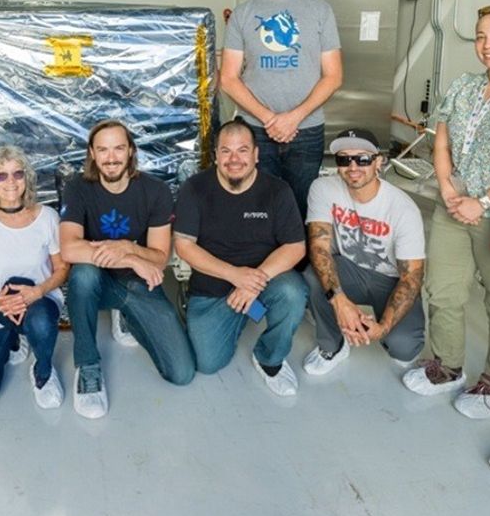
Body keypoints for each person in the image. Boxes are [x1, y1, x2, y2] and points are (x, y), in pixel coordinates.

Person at [404, 4, 490, 418]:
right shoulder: (462, 86)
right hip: (451, 205)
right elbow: (440, 143)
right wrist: (446, 188)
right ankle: (448, 366)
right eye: (480, 36)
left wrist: (485, 202)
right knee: (443, 289)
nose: (487, 44)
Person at [60, 120, 195, 418]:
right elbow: (70, 248)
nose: (111, 158)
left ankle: (128, 317)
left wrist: (130, 248)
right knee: (82, 274)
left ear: (131, 151)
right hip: (97, 281)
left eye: (119, 148)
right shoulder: (78, 188)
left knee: (181, 372)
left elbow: (159, 258)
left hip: (137, 283)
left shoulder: (155, 190)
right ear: (92, 155)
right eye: (103, 150)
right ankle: (88, 365)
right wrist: (133, 259)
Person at [174, 119, 308, 396]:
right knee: (208, 363)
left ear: (256, 155)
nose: (234, 159)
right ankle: (239, 314)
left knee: (293, 293)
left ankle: (269, 357)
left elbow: (295, 247)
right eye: (226, 151)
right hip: (212, 288)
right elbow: (184, 246)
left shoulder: (277, 191)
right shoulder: (195, 188)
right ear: (216, 155)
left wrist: (252, 284)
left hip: (263, 282)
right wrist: (236, 276)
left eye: (242, 150)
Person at [220, 0, 343, 220]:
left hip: (306, 130)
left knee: (300, 211)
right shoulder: (243, 14)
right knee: (256, 210)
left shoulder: (320, 11)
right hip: (257, 131)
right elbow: (228, 78)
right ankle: (260, 265)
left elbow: (333, 76)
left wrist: (293, 118)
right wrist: (270, 119)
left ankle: (295, 266)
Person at [301, 128, 426, 376]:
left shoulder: (403, 208)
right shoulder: (323, 188)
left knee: (404, 349)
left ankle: (384, 329)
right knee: (313, 275)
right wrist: (339, 300)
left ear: (378, 162)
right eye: (344, 159)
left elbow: (411, 278)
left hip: (390, 279)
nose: (353, 166)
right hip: (349, 268)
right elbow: (319, 248)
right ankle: (332, 344)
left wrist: (383, 326)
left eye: (363, 159)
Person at [0, 146, 67, 411]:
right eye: (1, 175)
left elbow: (62, 269)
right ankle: (12, 337)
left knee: (41, 321)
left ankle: (43, 370)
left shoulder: (48, 218)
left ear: (27, 178)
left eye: (17, 174)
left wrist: (38, 292)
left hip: (39, 300)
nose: (11, 182)